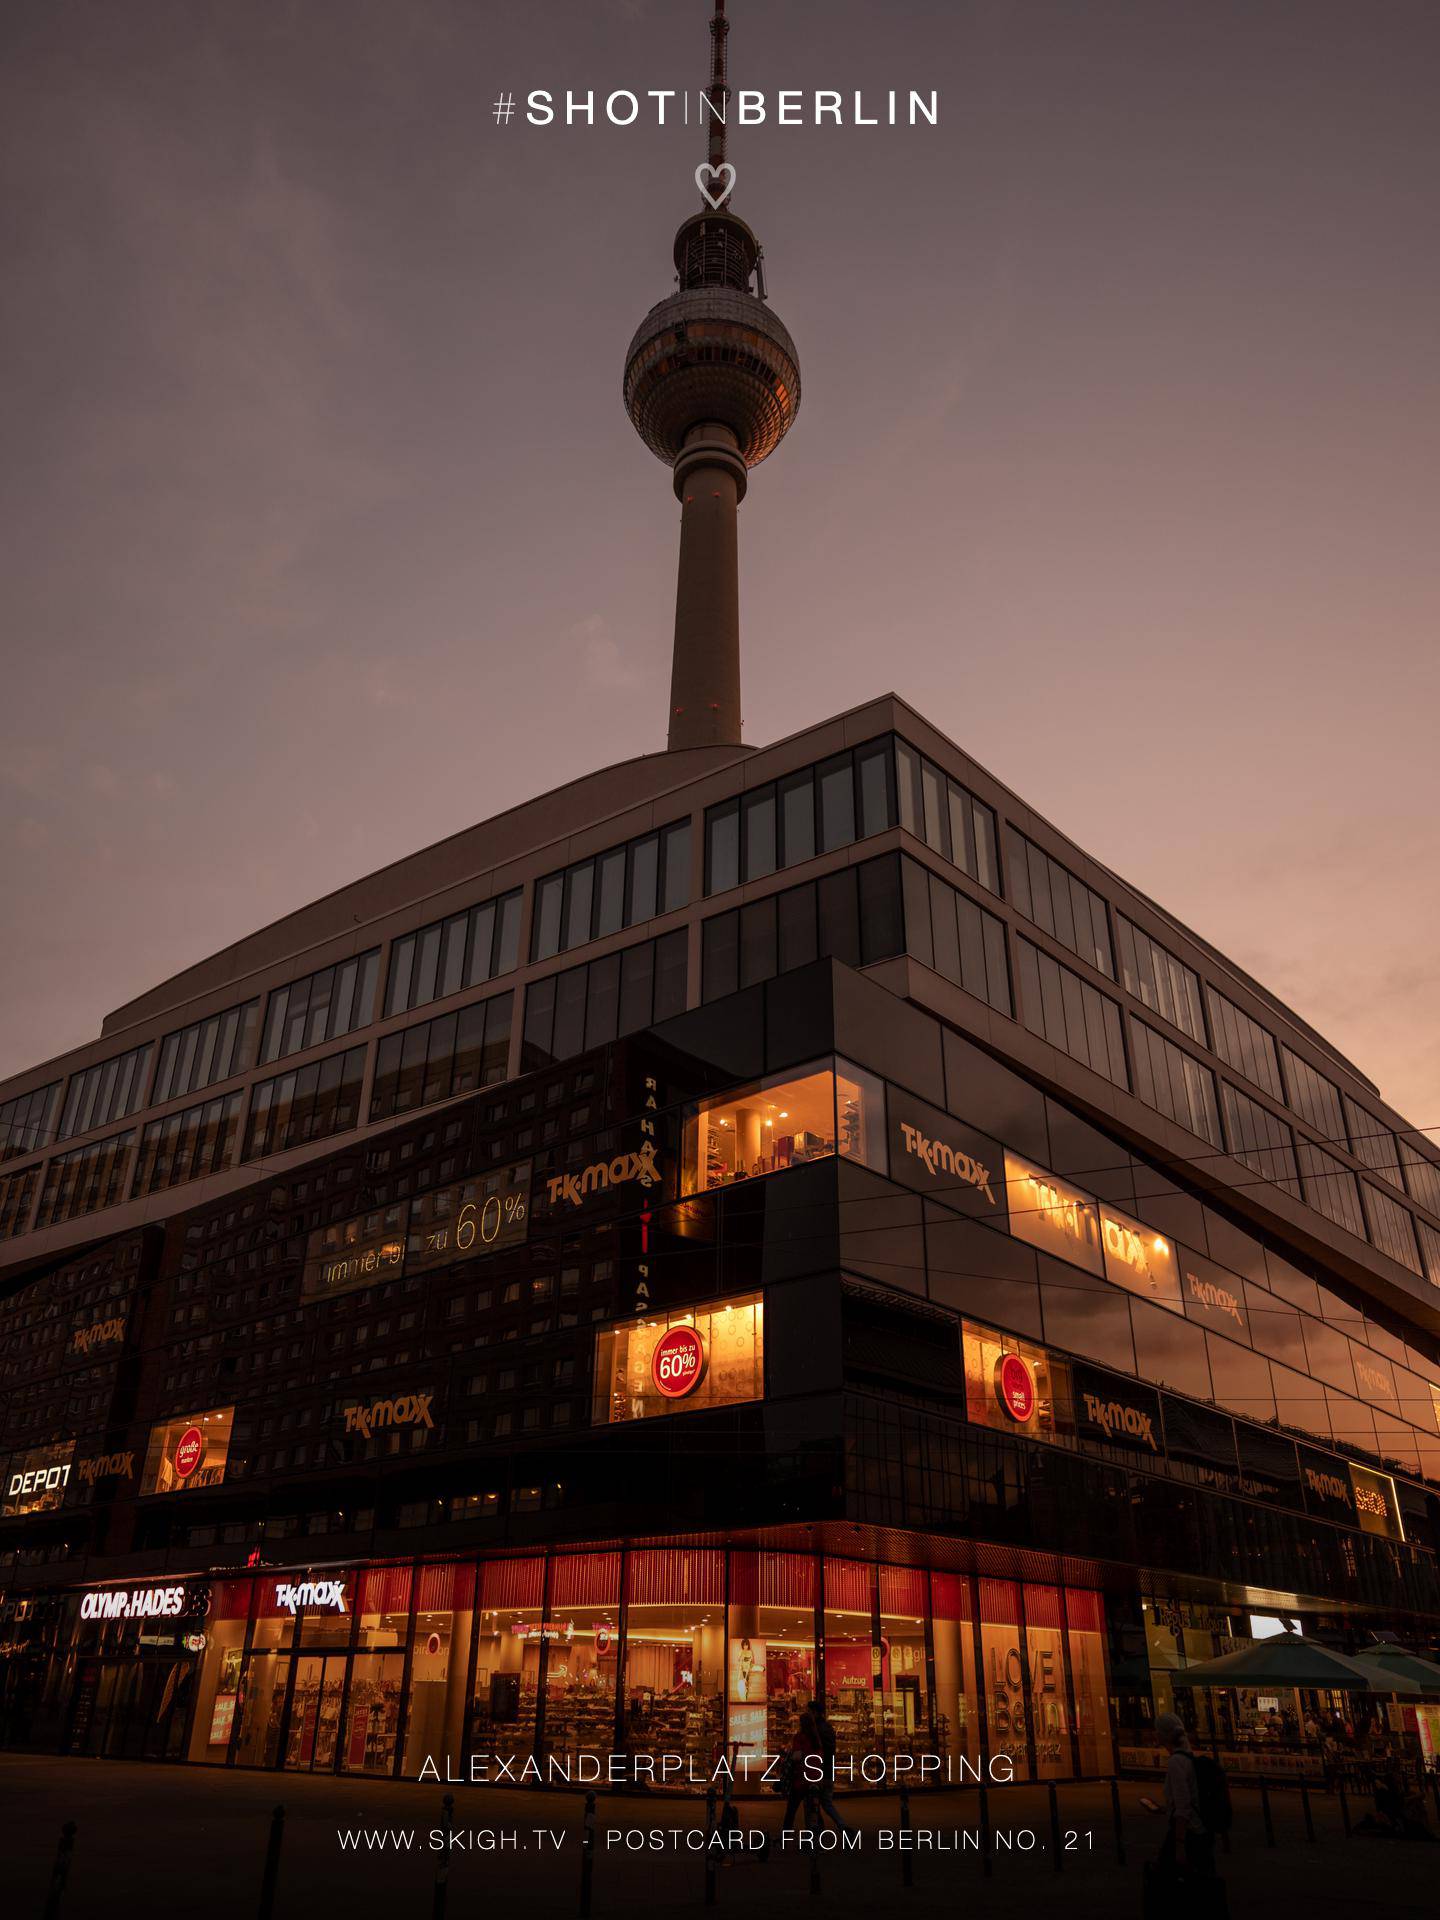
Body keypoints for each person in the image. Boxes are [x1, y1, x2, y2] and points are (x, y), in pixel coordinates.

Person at [1155, 1712, 1214, 1880]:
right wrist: (1166, 1809)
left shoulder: (1175, 1762)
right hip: (1202, 1831)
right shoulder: (1189, 1757)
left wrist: (1179, 1845)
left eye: (1157, 1730)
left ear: (1162, 1734)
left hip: (1188, 1833)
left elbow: (1183, 1806)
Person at [807, 1699, 853, 1835]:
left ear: (814, 1712)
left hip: (819, 1771)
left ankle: (817, 1833)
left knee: (812, 1802)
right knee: (826, 1803)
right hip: (828, 1770)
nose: (807, 1713)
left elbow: (816, 1751)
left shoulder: (816, 1730)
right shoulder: (828, 1728)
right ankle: (842, 1826)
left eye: (809, 1711)